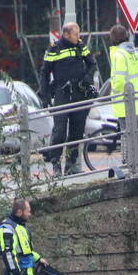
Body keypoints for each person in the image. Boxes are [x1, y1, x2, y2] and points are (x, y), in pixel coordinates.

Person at [39, 22, 97, 175]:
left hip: (79, 93)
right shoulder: (54, 49)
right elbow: (44, 73)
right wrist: (44, 96)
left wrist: (87, 78)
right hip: (62, 94)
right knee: (60, 132)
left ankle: (71, 165)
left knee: (77, 131)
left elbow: (92, 64)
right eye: (76, 34)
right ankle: (56, 163)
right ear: (66, 34)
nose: (79, 37)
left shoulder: (80, 46)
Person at [0, 199, 48, 275]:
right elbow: (8, 254)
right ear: (20, 212)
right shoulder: (7, 229)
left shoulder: (21, 227)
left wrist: (38, 258)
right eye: (28, 211)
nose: (30, 214)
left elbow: (25, 251)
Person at [108, 24, 138, 144]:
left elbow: (119, 80)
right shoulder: (132, 53)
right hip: (135, 99)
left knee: (127, 136)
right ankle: (136, 159)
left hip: (123, 101)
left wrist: (113, 90)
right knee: (133, 134)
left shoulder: (119, 55)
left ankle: (130, 161)